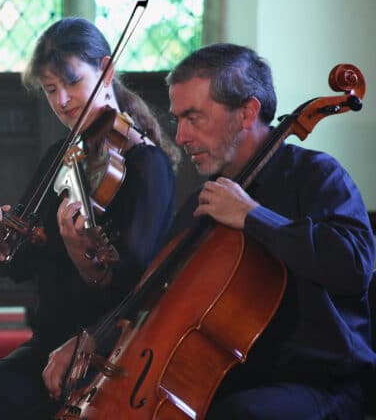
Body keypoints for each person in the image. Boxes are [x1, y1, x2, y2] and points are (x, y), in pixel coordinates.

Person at [44, 43, 375, 419]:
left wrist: (253, 216)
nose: (181, 136)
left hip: (322, 383)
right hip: (228, 378)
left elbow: (354, 265)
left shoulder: (316, 175)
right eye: (177, 120)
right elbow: (155, 293)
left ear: (247, 112)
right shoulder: (206, 198)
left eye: (194, 118)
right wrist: (94, 338)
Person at [0, 17, 178, 420]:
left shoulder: (147, 165)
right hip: (48, 342)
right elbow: (26, 256)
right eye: (51, 89)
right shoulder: (62, 155)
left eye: (72, 83)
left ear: (106, 70)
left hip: (110, 351)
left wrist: (82, 255)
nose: (63, 100)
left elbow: (140, 285)